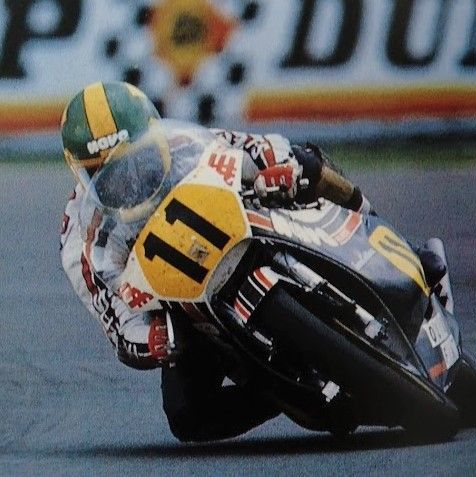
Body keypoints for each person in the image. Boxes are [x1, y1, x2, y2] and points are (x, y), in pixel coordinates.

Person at [60, 81, 445, 442]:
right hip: (184, 303)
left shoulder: (184, 143)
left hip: (246, 230)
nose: (123, 177)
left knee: (309, 164)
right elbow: (118, 320)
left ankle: (397, 242)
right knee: (187, 416)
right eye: (101, 172)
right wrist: (151, 341)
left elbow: (261, 149)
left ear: (154, 133)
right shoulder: (81, 240)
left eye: (134, 156)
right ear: (77, 170)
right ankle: (286, 391)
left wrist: (281, 169)